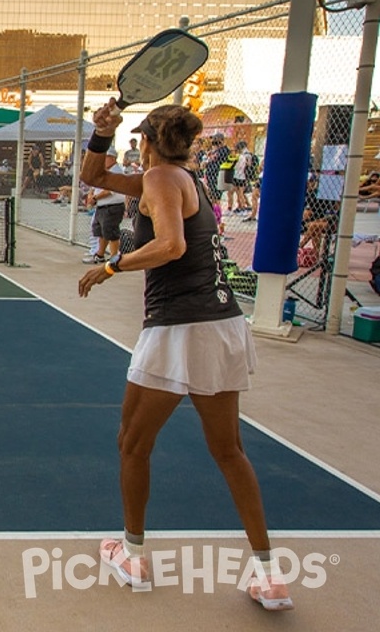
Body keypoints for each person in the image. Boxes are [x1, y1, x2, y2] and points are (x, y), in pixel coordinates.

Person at [78, 101, 292, 611]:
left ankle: (132, 554)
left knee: (132, 443)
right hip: (223, 324)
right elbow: (96, 174)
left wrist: (111, 267)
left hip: (180, 327)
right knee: (228, 450)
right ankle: (269, 576)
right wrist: (100, 133)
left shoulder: (158, 181)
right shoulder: (181, 179)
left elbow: (171, 246)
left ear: (148, 142)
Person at [81, 148, 124, 263]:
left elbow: (109, 190)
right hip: (102, 206)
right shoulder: (104, 171)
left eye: (106, 157)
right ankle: (99, 255)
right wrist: (91, 195)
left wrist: (95, 198)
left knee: (111, 232)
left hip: (112, 206)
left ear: (113, 158)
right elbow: (95, 186)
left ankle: (115, 259)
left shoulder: (116, 171)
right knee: (101, 232)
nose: (103, 160)